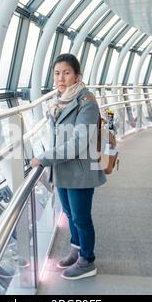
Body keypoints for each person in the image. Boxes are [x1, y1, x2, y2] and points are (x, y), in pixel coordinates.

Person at [30, 54, 106, 280]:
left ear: (77, 76)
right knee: (70, 215)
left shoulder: (87, 102)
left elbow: (77, 144)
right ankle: (76, 250)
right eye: (57, 73)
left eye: (66, 73)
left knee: (81, 218)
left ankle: (88, 260)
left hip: (80, 172)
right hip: (63, 170)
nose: (60, 78)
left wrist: (43, 158)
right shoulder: (59, 101)